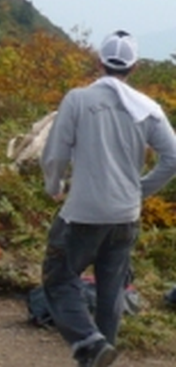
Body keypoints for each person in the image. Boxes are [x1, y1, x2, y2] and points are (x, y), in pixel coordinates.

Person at [41, 30, 176, 367]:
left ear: (99, 62)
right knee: (111, 290)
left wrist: (53, 185)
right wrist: (139, 190)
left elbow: (56, 153)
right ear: (135, 67)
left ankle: (89, 343)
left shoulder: (78, 99)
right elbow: (173, 157)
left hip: (84, 212)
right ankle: (100, 354)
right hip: (126, 215)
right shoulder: (146, 108)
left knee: (58, 277)